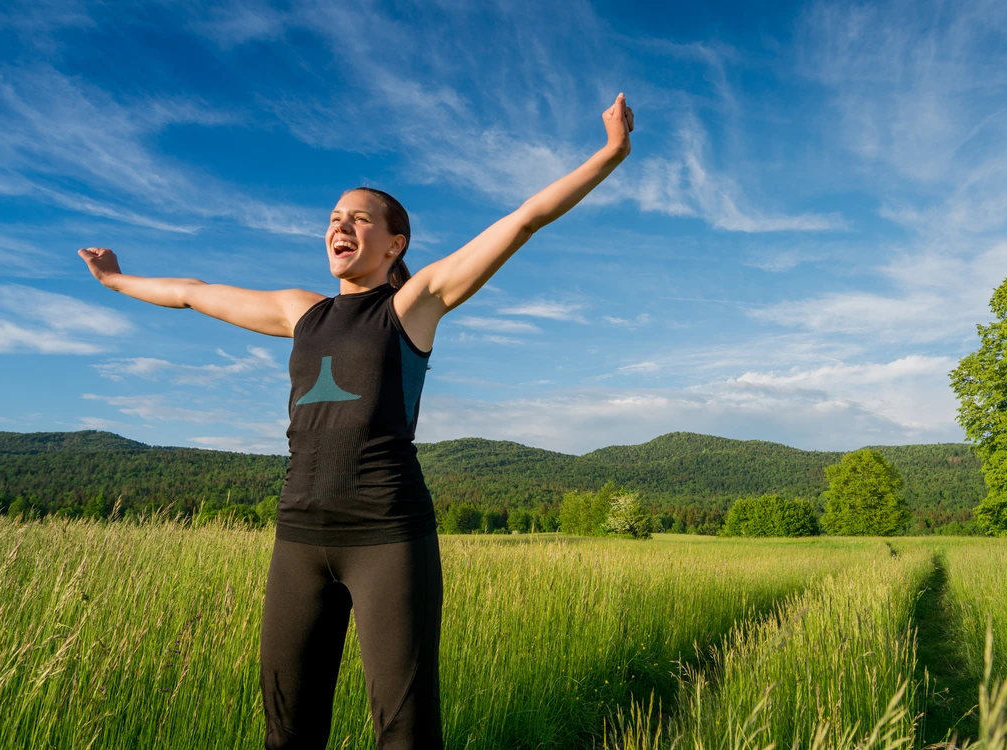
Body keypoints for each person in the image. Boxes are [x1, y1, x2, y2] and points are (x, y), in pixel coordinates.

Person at [78, 94, 634, 749]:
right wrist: (116, 282)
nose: (341, 226)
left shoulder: (413, 305)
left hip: (388, 538)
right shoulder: (299, 310)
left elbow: (521, 222)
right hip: (299, 536)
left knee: (404, 734)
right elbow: (193, 292)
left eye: (359, 219)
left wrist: (608, 155)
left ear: (394, 242)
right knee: (287, 731)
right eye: (335, 218)